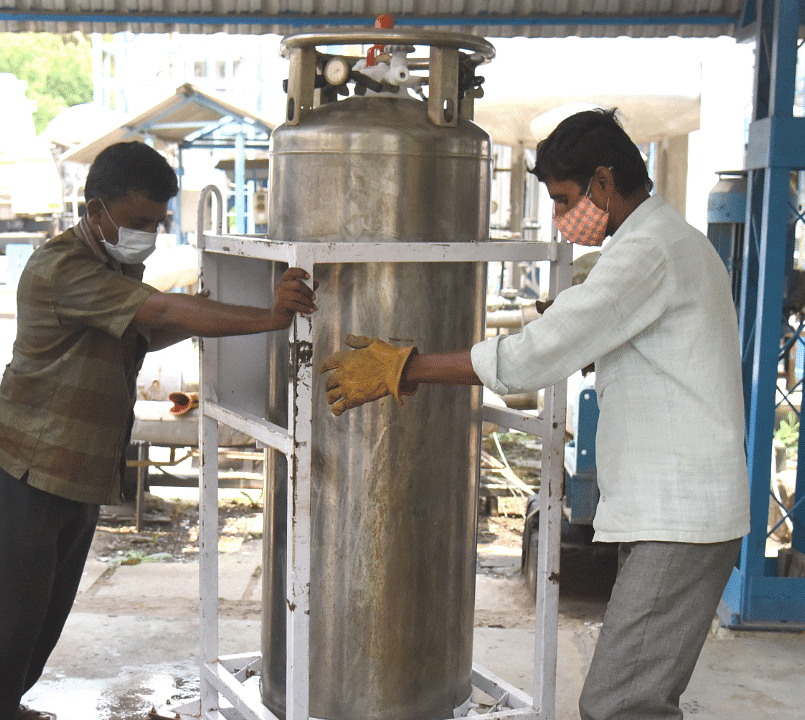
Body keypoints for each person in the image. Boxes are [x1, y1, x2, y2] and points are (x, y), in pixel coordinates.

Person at [318, 109, 748, 720]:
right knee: (635, 700)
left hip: (680, 519)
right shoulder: (663, 243)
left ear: (604, 182)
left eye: (565, 199)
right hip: (670, 514)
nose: (559, 219)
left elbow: (532, 357)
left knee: (620, 703)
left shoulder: (650, 251)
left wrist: (403, 367)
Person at [0, 141, 318, 720]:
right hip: (28, 468)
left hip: (76, 471)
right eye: (138, 222)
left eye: (157, 223)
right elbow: (160, 313)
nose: (148, 234)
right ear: (96, 209)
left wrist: (216, 312)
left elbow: (144, 333)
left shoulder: (115, 266)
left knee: (43, 616)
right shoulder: (61, 267)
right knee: (8, 618)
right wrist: (268, 318)